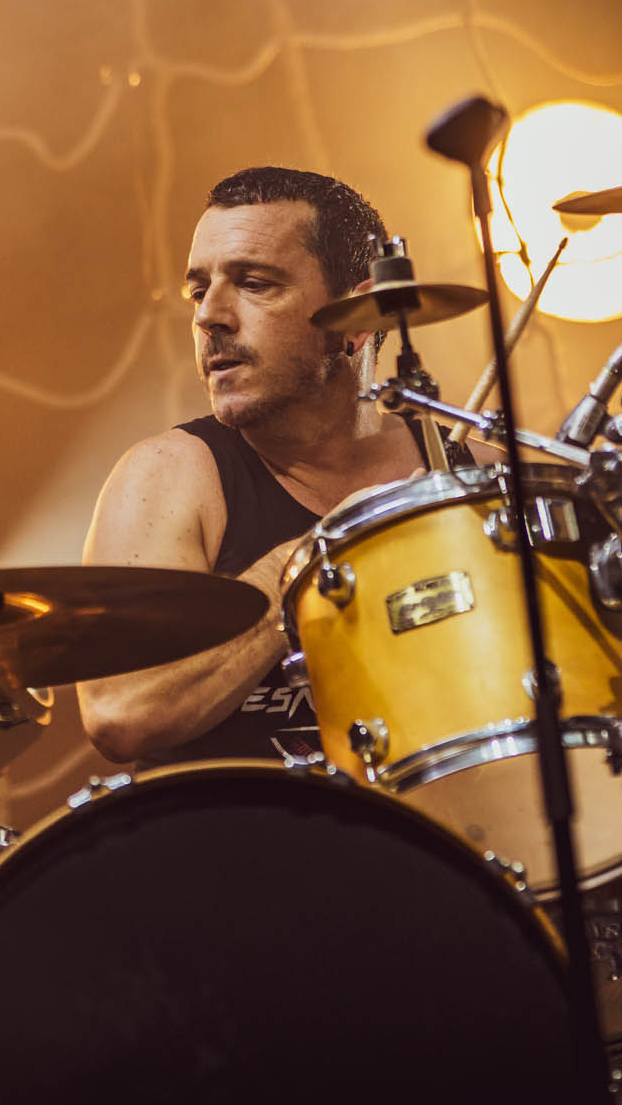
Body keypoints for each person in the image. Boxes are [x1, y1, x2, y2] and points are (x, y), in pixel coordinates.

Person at [77, 166, 487, 766]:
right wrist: (316, 558)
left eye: (254, 284)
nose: (209, 315)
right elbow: (121, 714)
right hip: (239, 827)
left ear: (358, 316)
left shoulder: (478, 473)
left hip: (448, 821)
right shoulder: (169, 475)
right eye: (199, 290)